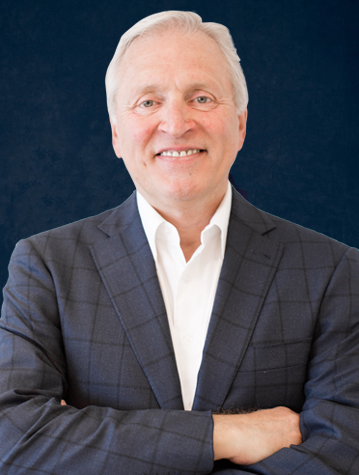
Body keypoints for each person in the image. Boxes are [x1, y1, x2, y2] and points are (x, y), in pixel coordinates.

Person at [0, 10, 358, 475]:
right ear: (115, 134)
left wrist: (91, 443)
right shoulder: (46, 265)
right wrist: (223, 435)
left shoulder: (334, 271)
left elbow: (342, 453)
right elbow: (14, 438)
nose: (176, 123)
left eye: (202, 97)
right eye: (148, 102)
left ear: (241, 124)